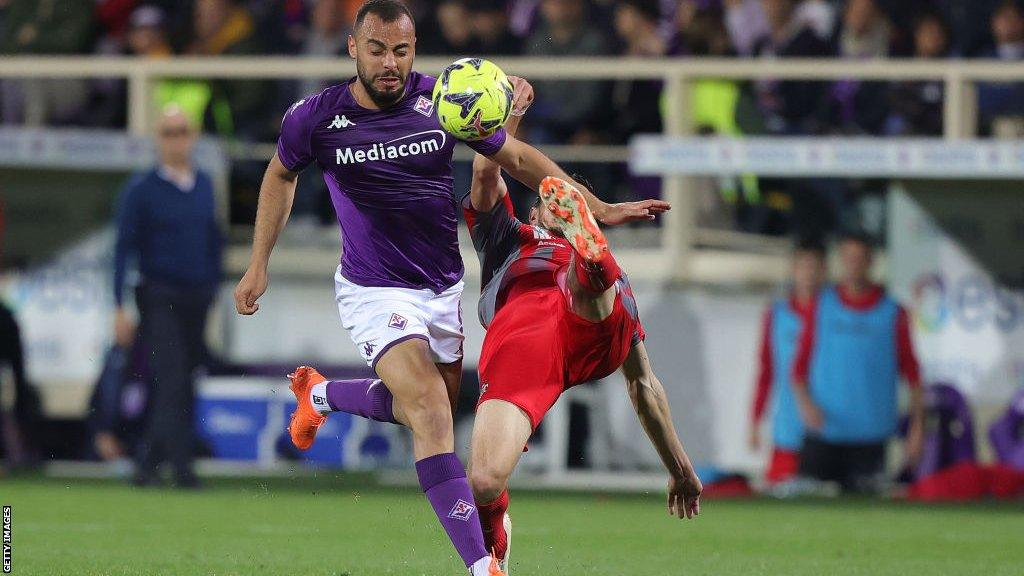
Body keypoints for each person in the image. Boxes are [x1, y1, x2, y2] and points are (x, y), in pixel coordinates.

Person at [232, 2, 667, 575]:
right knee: (434, 413)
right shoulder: (315, 119)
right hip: (373, 290)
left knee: (421, 410)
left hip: (440, 288)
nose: (390, 63)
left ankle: (320, 395)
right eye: (377, 49)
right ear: (352, 48)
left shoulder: (444, 101)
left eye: (402, 51)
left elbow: (514, 159)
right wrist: (259, 261)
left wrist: (598, 206)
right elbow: (279, 175)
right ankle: (480, 565)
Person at [460, 78, 703, 572]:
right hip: (524, 342)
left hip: (586, 324)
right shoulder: (508, 238)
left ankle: (589, 264)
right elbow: (487, 176)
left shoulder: (616, 288)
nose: (555, 198)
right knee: (483, 482)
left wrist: (680, 468)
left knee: (588, 287)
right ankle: (497, 540)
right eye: (551, 197)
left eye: (566, 197)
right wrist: (508, 115)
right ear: (534, 208)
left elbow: (643, 384)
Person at [113, 105, 222, 488]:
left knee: (182, 379)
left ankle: (150, 461)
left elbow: (213, 240)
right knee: (172, 377)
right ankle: (181, 469)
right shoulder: (142, 189)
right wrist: (119, 306)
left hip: (196, 296)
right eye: (169, 132)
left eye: (182, 131)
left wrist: (213, 290)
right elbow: (122, 251)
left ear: (191, 137)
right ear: (159, 139)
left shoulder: (204, 183)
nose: (176, 140)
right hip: (159, 294)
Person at [791, 232, 925, 493]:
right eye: (847, 258)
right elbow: (799, 367)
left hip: (870, 438)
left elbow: (913, 375)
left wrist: (917, 427)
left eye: (859, 258)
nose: (853, 264)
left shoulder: (893, 312)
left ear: (870, 262)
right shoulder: (820, 306)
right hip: (824, 432)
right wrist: (805, 403)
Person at [748, 238, 825, 485]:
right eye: (803, 267)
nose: (808, 274)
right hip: (788, 429)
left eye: (815, 267)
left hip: (828, 429)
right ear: (794, 270)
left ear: (824, 271)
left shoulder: (834, 315)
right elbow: (767, 370)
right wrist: (755, 420)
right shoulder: (778, 313)